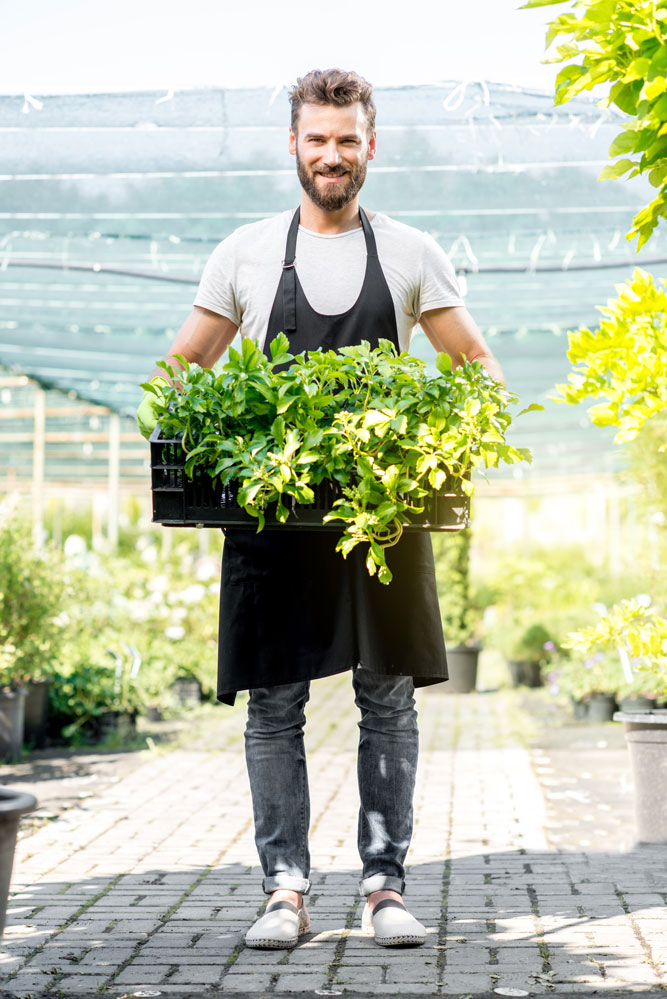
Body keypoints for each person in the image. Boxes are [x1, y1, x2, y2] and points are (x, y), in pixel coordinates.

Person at [137, 68, 505, 950]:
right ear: (294, 147)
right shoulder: (245, 252)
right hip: (272, 511)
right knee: (274, 701)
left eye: (347, 139)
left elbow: (476, 366)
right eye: (316, 139)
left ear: (369, 145)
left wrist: (454, 437)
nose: (331, 154)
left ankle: (383, 887)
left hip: (381, 513)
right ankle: (285, 890)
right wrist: (186, 428)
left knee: (387, 698)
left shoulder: (411, 252)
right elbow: (181, 367)